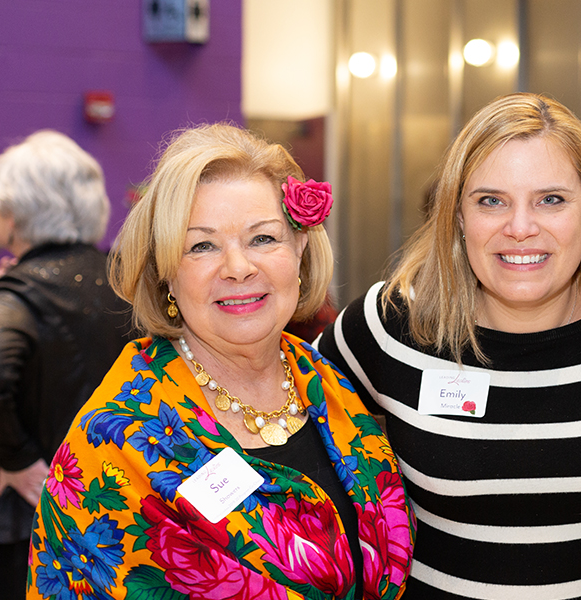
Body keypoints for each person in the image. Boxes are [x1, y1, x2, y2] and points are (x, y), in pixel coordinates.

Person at [314, 93, 581, 599]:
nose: (519, 228)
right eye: (491, 201)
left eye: (551, 200)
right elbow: (280, 421)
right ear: (459, 216)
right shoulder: (390, 326)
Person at [25, 124, 414, 598]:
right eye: (202, 246)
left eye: (263, 239)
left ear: (300, 248)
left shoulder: (331, 385)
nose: (238, 267)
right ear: (166, 272)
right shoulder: (116, 440)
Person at [0, 131, 134, 600]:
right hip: (115, 503)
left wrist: (16, 458)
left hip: (30, 518)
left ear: (14, 213)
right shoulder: (124, 279)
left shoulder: (24, 287)